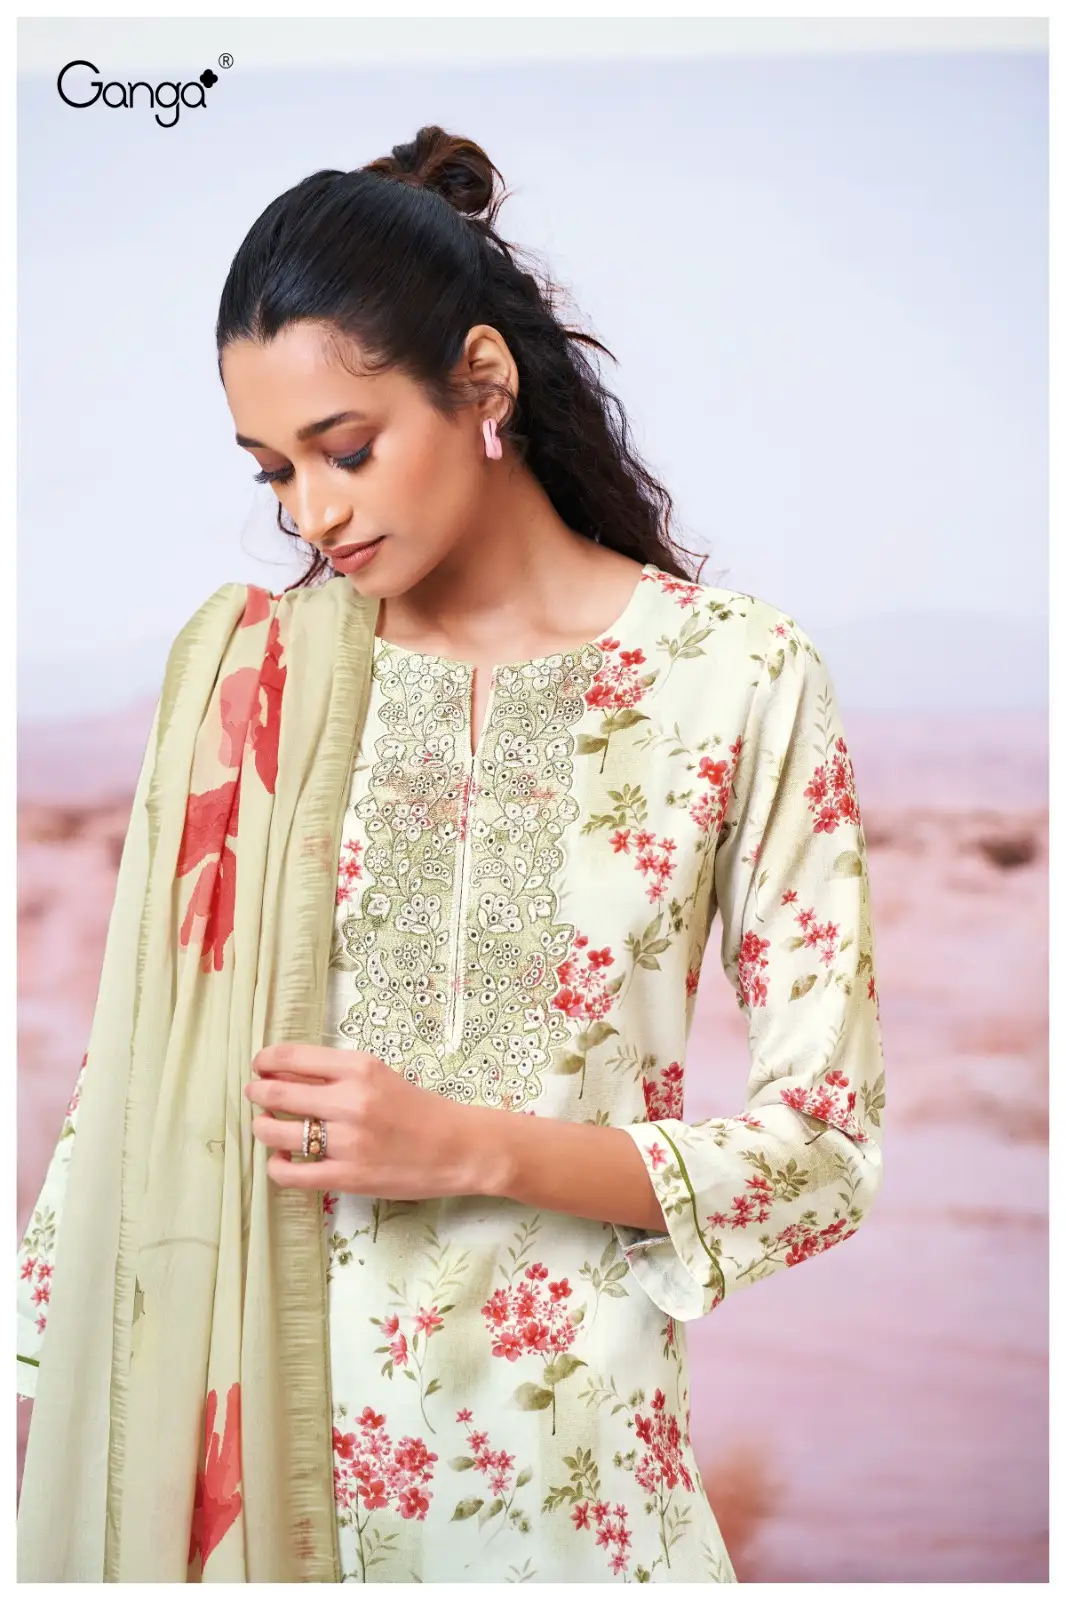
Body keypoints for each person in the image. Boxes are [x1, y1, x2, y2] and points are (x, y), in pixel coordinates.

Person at [16, 125, 886, 1583]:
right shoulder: (255, 688)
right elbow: (123, 1117)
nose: (311, 512)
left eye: (346, 449)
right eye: (274, 471)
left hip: (586, 1508)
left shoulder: (736, 676)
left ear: (482, 381)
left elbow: (825, 1153)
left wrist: (473, 1145)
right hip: (258, 1503)